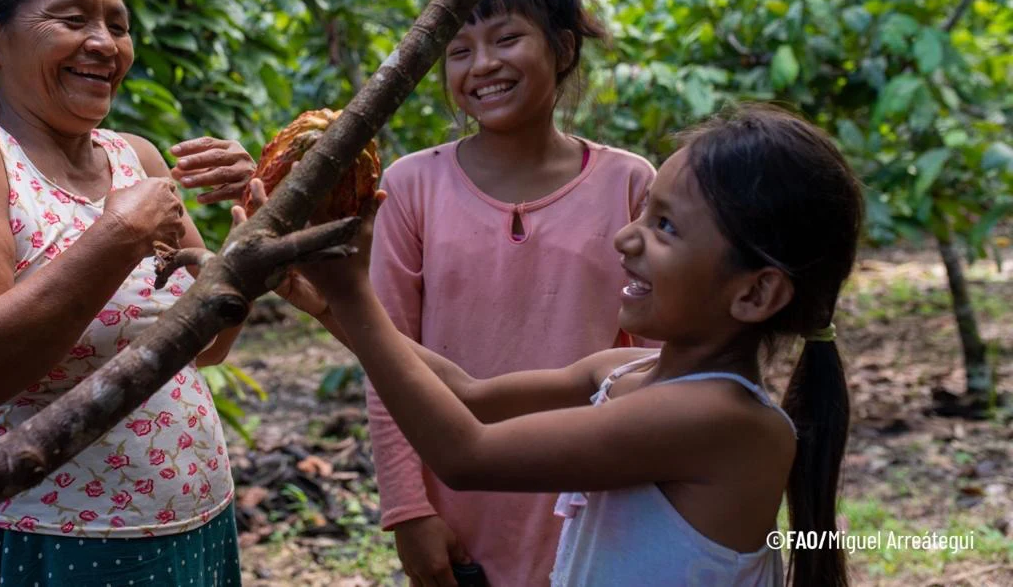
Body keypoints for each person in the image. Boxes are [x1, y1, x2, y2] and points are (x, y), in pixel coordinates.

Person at [292, 104, 859, 587]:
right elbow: (468, 393)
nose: (626, 236)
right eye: (645, 212)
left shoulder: (722, 420)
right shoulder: (627, 370)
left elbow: (467, 454)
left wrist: (354, 295)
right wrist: (327, 305)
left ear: (756, 293)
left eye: (666, 226)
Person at [0, 0, 256, 586]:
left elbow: (206, 346)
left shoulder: (135, 156)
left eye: (118, 26)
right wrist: (116, 237)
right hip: (46, 538)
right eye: (72, 19)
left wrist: (249, 241)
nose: (104, 43)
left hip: (194, 517)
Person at [365, 0, 655, 586]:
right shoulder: (411, 187)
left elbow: (661, 359)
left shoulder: (630, 183)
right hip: (460, 505)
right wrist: (408, 510)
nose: (482, 65)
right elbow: (388, 359)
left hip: (596, 500)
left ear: (562, 47)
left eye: (506, 38)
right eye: (459, 49)